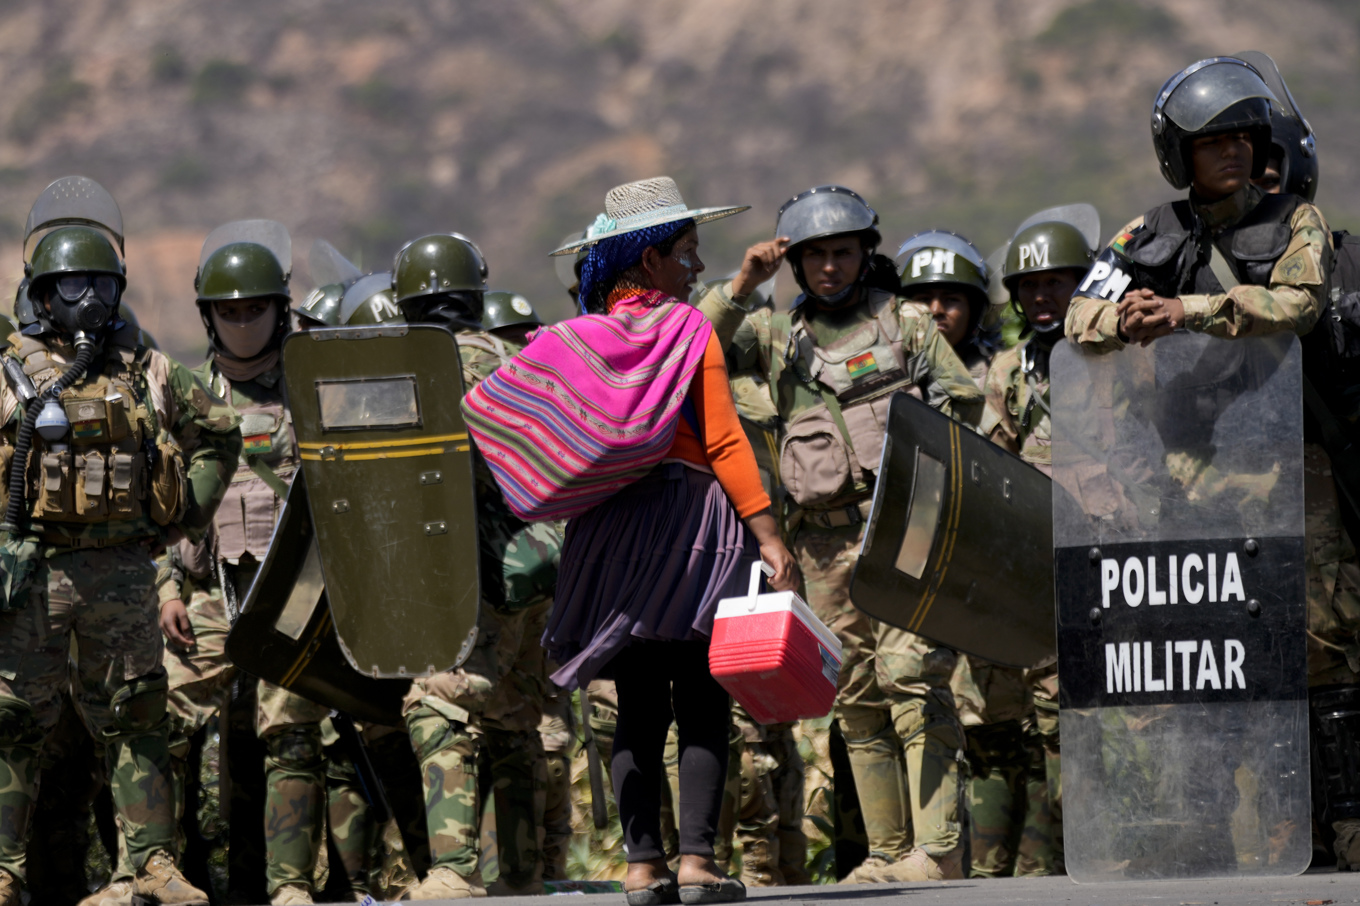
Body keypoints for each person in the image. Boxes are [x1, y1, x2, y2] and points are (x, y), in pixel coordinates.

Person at [541, 176, 799, 906]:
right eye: (686, 253)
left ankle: (638, 866)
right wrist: (769, 535)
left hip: (609, 534)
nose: (696, 269)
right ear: (649, 261)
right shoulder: (688, 331)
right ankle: (695, 865)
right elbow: (722, 440)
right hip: (690, 530)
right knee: (702, 695)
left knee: (636, 701)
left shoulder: (581, 338)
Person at [725, 185, 986, 883]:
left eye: (843, 252)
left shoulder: (904, 323)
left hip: (902, 527)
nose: (830, 267)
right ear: (796, 264)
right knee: (856, 693)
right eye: (815, 257)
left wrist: (915, 445)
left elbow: (962, 398)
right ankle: (887, 852)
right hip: (820, 543)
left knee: (913, 678)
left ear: (865, 254)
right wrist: (744, 283)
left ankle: (938, 849)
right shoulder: (774, 333)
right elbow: (700, 347)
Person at [0, 177, 241, 905]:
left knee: (138, 720)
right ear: (41, 295)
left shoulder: (147, 370)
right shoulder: (9, 374)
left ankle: (152, 866)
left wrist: (183, 518)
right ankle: (7, 871)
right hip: (31, 574)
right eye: (69, 287)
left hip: (121, 573)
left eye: (100, 286)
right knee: (11, 725)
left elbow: (220, 433)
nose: (86, 301)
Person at [390, 232, 563, 900]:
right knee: (515, 714)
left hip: (472, 569)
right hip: (541, 566)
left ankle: (456, 870)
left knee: (437, 700)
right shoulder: (524, 357)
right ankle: (521, 876)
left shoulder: (422, 368)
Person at [982, 214, 1098, 877]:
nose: (1043, 298)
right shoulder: (1010, 370)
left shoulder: (1117, 356)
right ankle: (1073, 856)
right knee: (1054, 716)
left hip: (1119, 562)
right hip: (1045, 567)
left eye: (1057, 282)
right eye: (1030, 288)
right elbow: (995, 469)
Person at [896, 231, 998, 387]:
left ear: (973, 311)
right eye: (924, 299)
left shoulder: (999, 377)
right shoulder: (888, 374)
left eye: (951, 299)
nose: (935, 310)